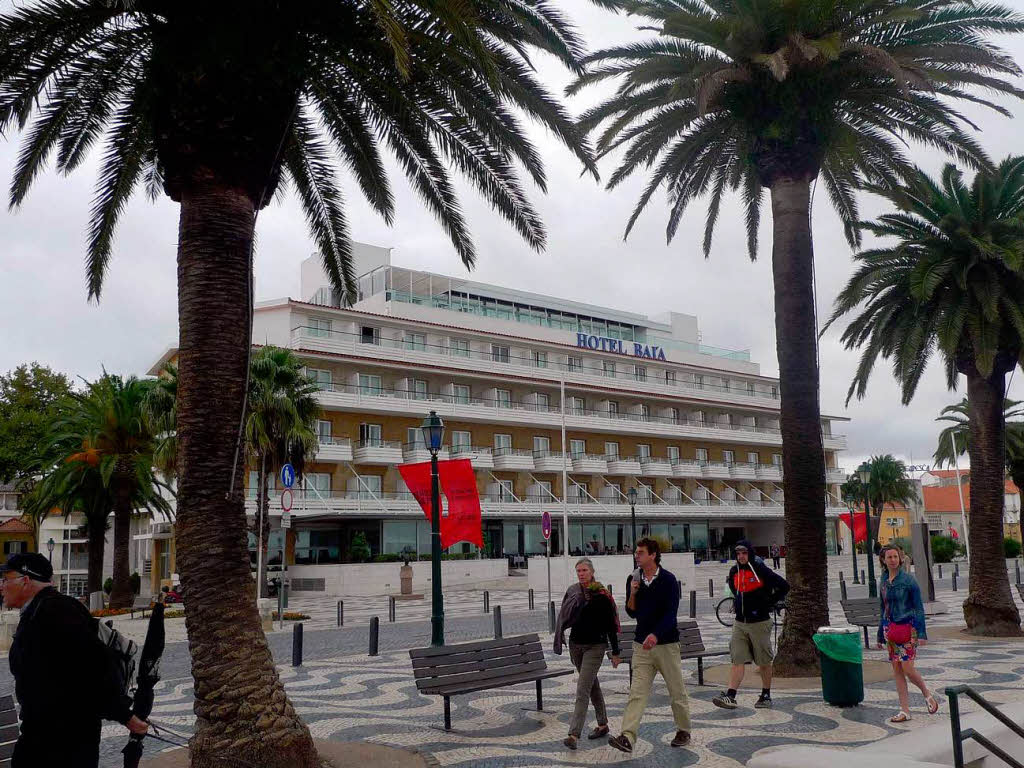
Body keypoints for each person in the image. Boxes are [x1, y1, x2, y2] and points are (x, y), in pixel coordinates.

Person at [1, 553, 148, 767]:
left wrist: (125, 715)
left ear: (25, 580)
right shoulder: (39, 610)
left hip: (63, 742)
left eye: (6, 579)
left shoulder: (55, 611)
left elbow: (94, 667)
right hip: (45, 735)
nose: (1, 585)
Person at [608, 538, 692, 753]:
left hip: (666, 645)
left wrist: (656, 634)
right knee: (637, 692)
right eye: (636, 552)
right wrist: (633, 593)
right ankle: (627, 736)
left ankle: (683, 730)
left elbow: (671, 614)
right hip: (641, 647)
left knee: (676, 691)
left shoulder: (669, 580)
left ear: (653, 555)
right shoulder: (633, 578)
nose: (637, 555)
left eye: (641, 552)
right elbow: (631, 612)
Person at [553, 558, 621, 750]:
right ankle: (602, 724)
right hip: (576, 646)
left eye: (584, 570)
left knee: (582, 689)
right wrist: (561, 634)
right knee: (592, 686)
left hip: (595, 647)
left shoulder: (601, 595)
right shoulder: (574, 591)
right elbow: (564, 615)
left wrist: (615, 652)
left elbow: (611, 626)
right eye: (578, 571)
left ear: (592, 572)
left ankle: (574, 735)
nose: (581, 574)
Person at [713, 539, 789, 710]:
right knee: (737, 659)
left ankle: (766, 694)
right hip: (740, 623)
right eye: (738, 553)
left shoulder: (760, 569)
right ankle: (730, 695)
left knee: (763, 661)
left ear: (750, 553)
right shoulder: (734, 571)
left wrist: (768, 602)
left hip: (759, 623)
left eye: (744, 553)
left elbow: (784, 586)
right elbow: (735, 589)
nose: (741, 556)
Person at [877, 544, 939, 722]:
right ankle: (905, 710)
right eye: (889, 557)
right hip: (891, 630)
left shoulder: (908, 581)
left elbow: (919, 608)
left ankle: (927, 695)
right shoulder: (883, 581)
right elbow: (883, 607)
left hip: (907, 629)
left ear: (900, 558)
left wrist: (921, 633)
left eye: (895, 556)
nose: (893, 560)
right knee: (897, 670)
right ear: (883, 560)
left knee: (908, 668)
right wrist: (880, 633)